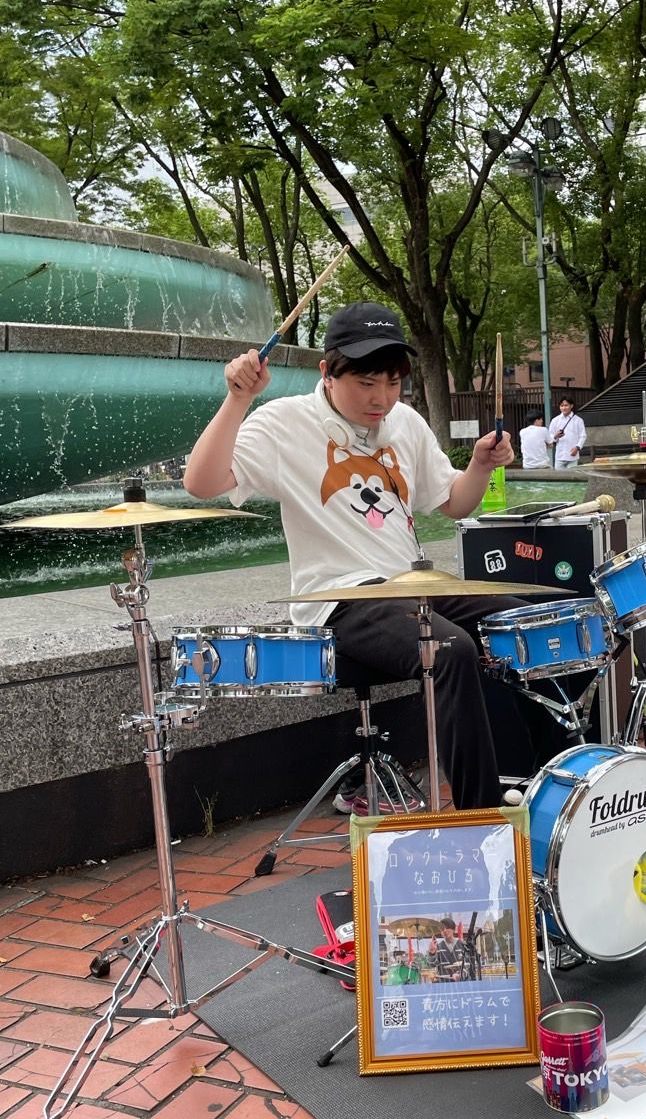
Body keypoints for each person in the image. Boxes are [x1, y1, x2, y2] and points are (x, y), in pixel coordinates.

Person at [183, 300, 556, 813]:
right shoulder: (284, 422)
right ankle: (481, 815)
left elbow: (454, 502)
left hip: (412, 588)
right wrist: (238, 398)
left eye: (392, 382)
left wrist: (480, 466)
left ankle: (545, 782)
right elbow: (200, 482)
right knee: (449, 650)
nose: (381, 398)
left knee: (526, 622)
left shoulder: (406, 422)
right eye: (366, 382)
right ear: (327, 372)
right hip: (340, 599)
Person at [548, 396, 587, 467]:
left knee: (572, 474)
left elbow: (583, 436)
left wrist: (577, 447)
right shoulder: (555, 420)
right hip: (560, 455)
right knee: (559, 474)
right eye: (561, 406)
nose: (564, 408)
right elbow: (550, 437)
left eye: (566, 405)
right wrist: (555, 436)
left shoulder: (578, 420)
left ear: (571, 406)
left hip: (573, 455)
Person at [428, 917, 466, 982]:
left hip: (460, 983)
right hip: (443, 983)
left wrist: (461, 975)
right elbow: (432, 964)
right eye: (442, 929)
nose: (445, 931)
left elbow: (468, 966)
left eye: (447, 928)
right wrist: (432, 953)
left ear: (453, 929)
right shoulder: (438, 947)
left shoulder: (463, 945)